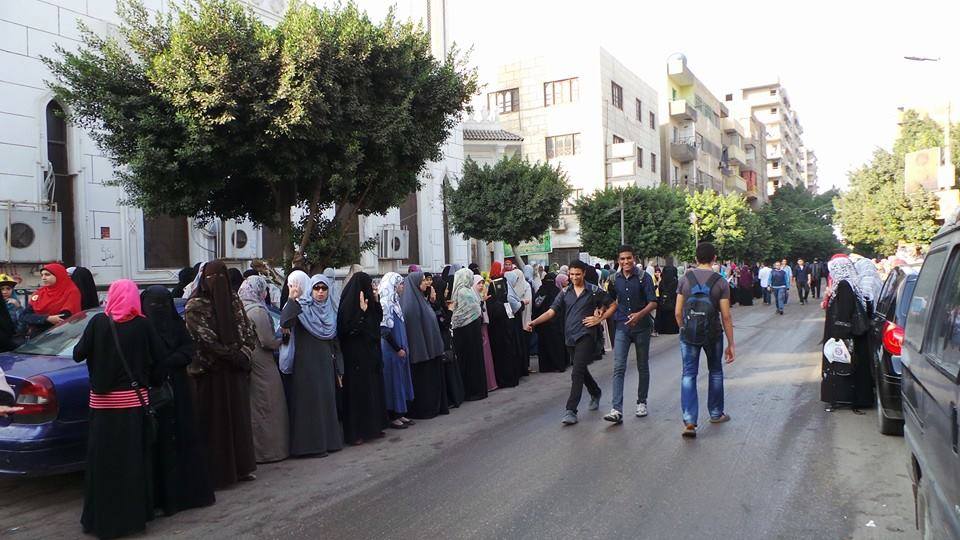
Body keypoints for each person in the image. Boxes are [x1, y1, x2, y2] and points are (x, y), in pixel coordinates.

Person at [73, 279, 163, 540]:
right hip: (133, 404)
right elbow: (160, 358)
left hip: (101, 407)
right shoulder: (143, 325)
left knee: (102, 462)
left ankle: (98, 520)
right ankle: (131, 519)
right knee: (131, 461)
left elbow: (78, 354)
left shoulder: (98, 323)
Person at [140, 285, 216, 516]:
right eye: (153, 304)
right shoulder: (142, 328)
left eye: (162, 304)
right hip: (154, 393)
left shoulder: (176, 326)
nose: (158, 309)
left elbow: (189, 349)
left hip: (178, 391)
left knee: (181, 440)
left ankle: (184, 496)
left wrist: (169, 361)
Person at [184, 261, 258, 487]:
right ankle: (218, 473)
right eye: (211, 277)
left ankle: (241, 468)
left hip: (234, 374)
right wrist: (231, 355)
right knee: (215, 425)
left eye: (221, 277)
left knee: (238, 421)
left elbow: (247, 330)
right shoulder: (195, 306)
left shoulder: (233, 300)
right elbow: (205, 340)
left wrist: (244, 353)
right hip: (211, 373)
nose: (216, 283)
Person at [527, 260, 613, 426]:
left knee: (576, 372)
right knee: (580, 369)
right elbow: (551, 312)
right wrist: (534, 322)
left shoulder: (593, 290)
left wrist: (599, 318)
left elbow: (612, 305)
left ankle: (571, 410)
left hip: (587, 335)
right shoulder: (565, 292)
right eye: (571, 274)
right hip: (570, 337)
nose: (574, 277)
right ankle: (595, 391)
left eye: (577, 274)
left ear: (584, 274)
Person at [675, 242, 736, 438]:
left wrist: (684, 328)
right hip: (713, 333)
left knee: (688, 374)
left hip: (689, 334)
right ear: (714, 258)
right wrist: (731, 343)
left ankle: (689, 421)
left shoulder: (685, 279)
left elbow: (678, 312)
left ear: (695, 258)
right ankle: (716, 413)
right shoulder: (721, 282)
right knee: (715, 371)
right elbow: (726, 316)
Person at [280, 272, 344, 456]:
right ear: (310, 289)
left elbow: (335, 341)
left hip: (325, 363)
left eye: (324, 288)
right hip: (306, 365)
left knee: (326, 402)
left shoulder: (331, 309)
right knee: (309, 404)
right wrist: (292, 299)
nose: (320, 292)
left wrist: (339, 367)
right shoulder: (301, 307)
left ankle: (329, 443)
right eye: (316, 288)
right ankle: (310, 447)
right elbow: (285, 322)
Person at [603, 245, 658, 424]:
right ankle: (616, 409)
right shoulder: (613, 279)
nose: (626, 261)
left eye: (628, 258)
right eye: (622, 259)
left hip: (642, 327)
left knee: (642, 365)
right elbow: (609, 300)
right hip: (622, 327)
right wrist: (601, 310)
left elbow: (653, 302)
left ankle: (641, 402)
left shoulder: (644, 277)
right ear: (618, 260)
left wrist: (639, 315)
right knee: (619, 367)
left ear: (634, 258)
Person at [238, 276, 289, 462]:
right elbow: (267, 341)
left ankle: (258, 451)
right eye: (265, 289)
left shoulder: (241, 308)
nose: (266, 293)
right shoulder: (257, 311)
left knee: (257, 407)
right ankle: (271, 451)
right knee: (270, 406)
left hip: (251, 361)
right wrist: (282, 340)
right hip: (263, 363)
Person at [337, 271, 389, 445]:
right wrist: (361, 313)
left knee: (373, 391)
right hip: (355, 359)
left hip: (370, 357)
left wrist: (376, 302)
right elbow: (348, 331)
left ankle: (374, 427)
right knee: (357, 395)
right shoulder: (348, 306)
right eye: (368, 286)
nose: (370, 289)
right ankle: (356, 433)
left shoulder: (369, 305)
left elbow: (376, 324)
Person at [821, 255, 873, 411]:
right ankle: (854, 398)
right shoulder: (849, 283)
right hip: (852, 334)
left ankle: (845, 398)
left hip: (846, 334)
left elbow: (844, 312)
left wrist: (838, 335)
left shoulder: (844, 285)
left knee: (843, 366)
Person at [400, 272, 449, 419]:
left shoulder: (422, 300)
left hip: (430, 351)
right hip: (420, 354)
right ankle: (425, 410)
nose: (425, 283)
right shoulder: (410, 305)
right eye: (422, 281)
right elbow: (415, 333)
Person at [378, 272, 415, 429]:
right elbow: (384, 331)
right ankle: (394, 415)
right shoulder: (385, 304)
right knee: (393, 382)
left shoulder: (395, 302)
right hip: (391, 352)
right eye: (400, 284)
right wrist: (397, 348)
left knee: (401, 380)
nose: (402, 287)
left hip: (399, 350)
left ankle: (401, 412)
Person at [450, 268, 487, 401]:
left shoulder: (461, 292)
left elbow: (458, 313)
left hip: (465, 331)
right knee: (473, 359)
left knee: (468, 360)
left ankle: (471, 390)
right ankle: (476, 390)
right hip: (470, 330)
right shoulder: (466, 291)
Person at [19, 263, 81, 338]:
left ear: (59, 275)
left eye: (47, 275)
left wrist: (36, 319)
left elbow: (63, 317)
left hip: (61, 336)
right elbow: (24, 316)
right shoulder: (39, 293)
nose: (43, 278)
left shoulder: (71, 291)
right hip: (37, 337)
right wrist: (47, 318)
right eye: (42, 275)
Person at [487, 262, 521, 388]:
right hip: (504, 326)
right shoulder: (500, 295)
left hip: (500, 328)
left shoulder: (495, 296)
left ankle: (506, 379)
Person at [532, 272, 566, 373]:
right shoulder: (556, 291)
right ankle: (559, 365)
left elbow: (536, 305)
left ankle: (545, 367)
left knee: (543, 345)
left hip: (542, 324)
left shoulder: (541, 291)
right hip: (554, 323)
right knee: (556, 345)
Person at [474, 276, 499, 391]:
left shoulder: (480, 296)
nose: (481, 285)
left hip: (484, 327)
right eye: (478, 283)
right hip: (478, 328)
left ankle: (490, 383)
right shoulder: (473, 297)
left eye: (482, 283)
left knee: (487, 356)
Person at [505, 268, 531, 375]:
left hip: (521, 319)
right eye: (515, 279)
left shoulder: (526, 286)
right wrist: (522, 303)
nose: (516, 281)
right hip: (515, 321)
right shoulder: (509, 290)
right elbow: (514, 305)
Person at [655, 266, 680, 335]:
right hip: (673, 306)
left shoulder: (662, 282)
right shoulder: (676, 282)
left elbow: (660, 292)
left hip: (663, 305)